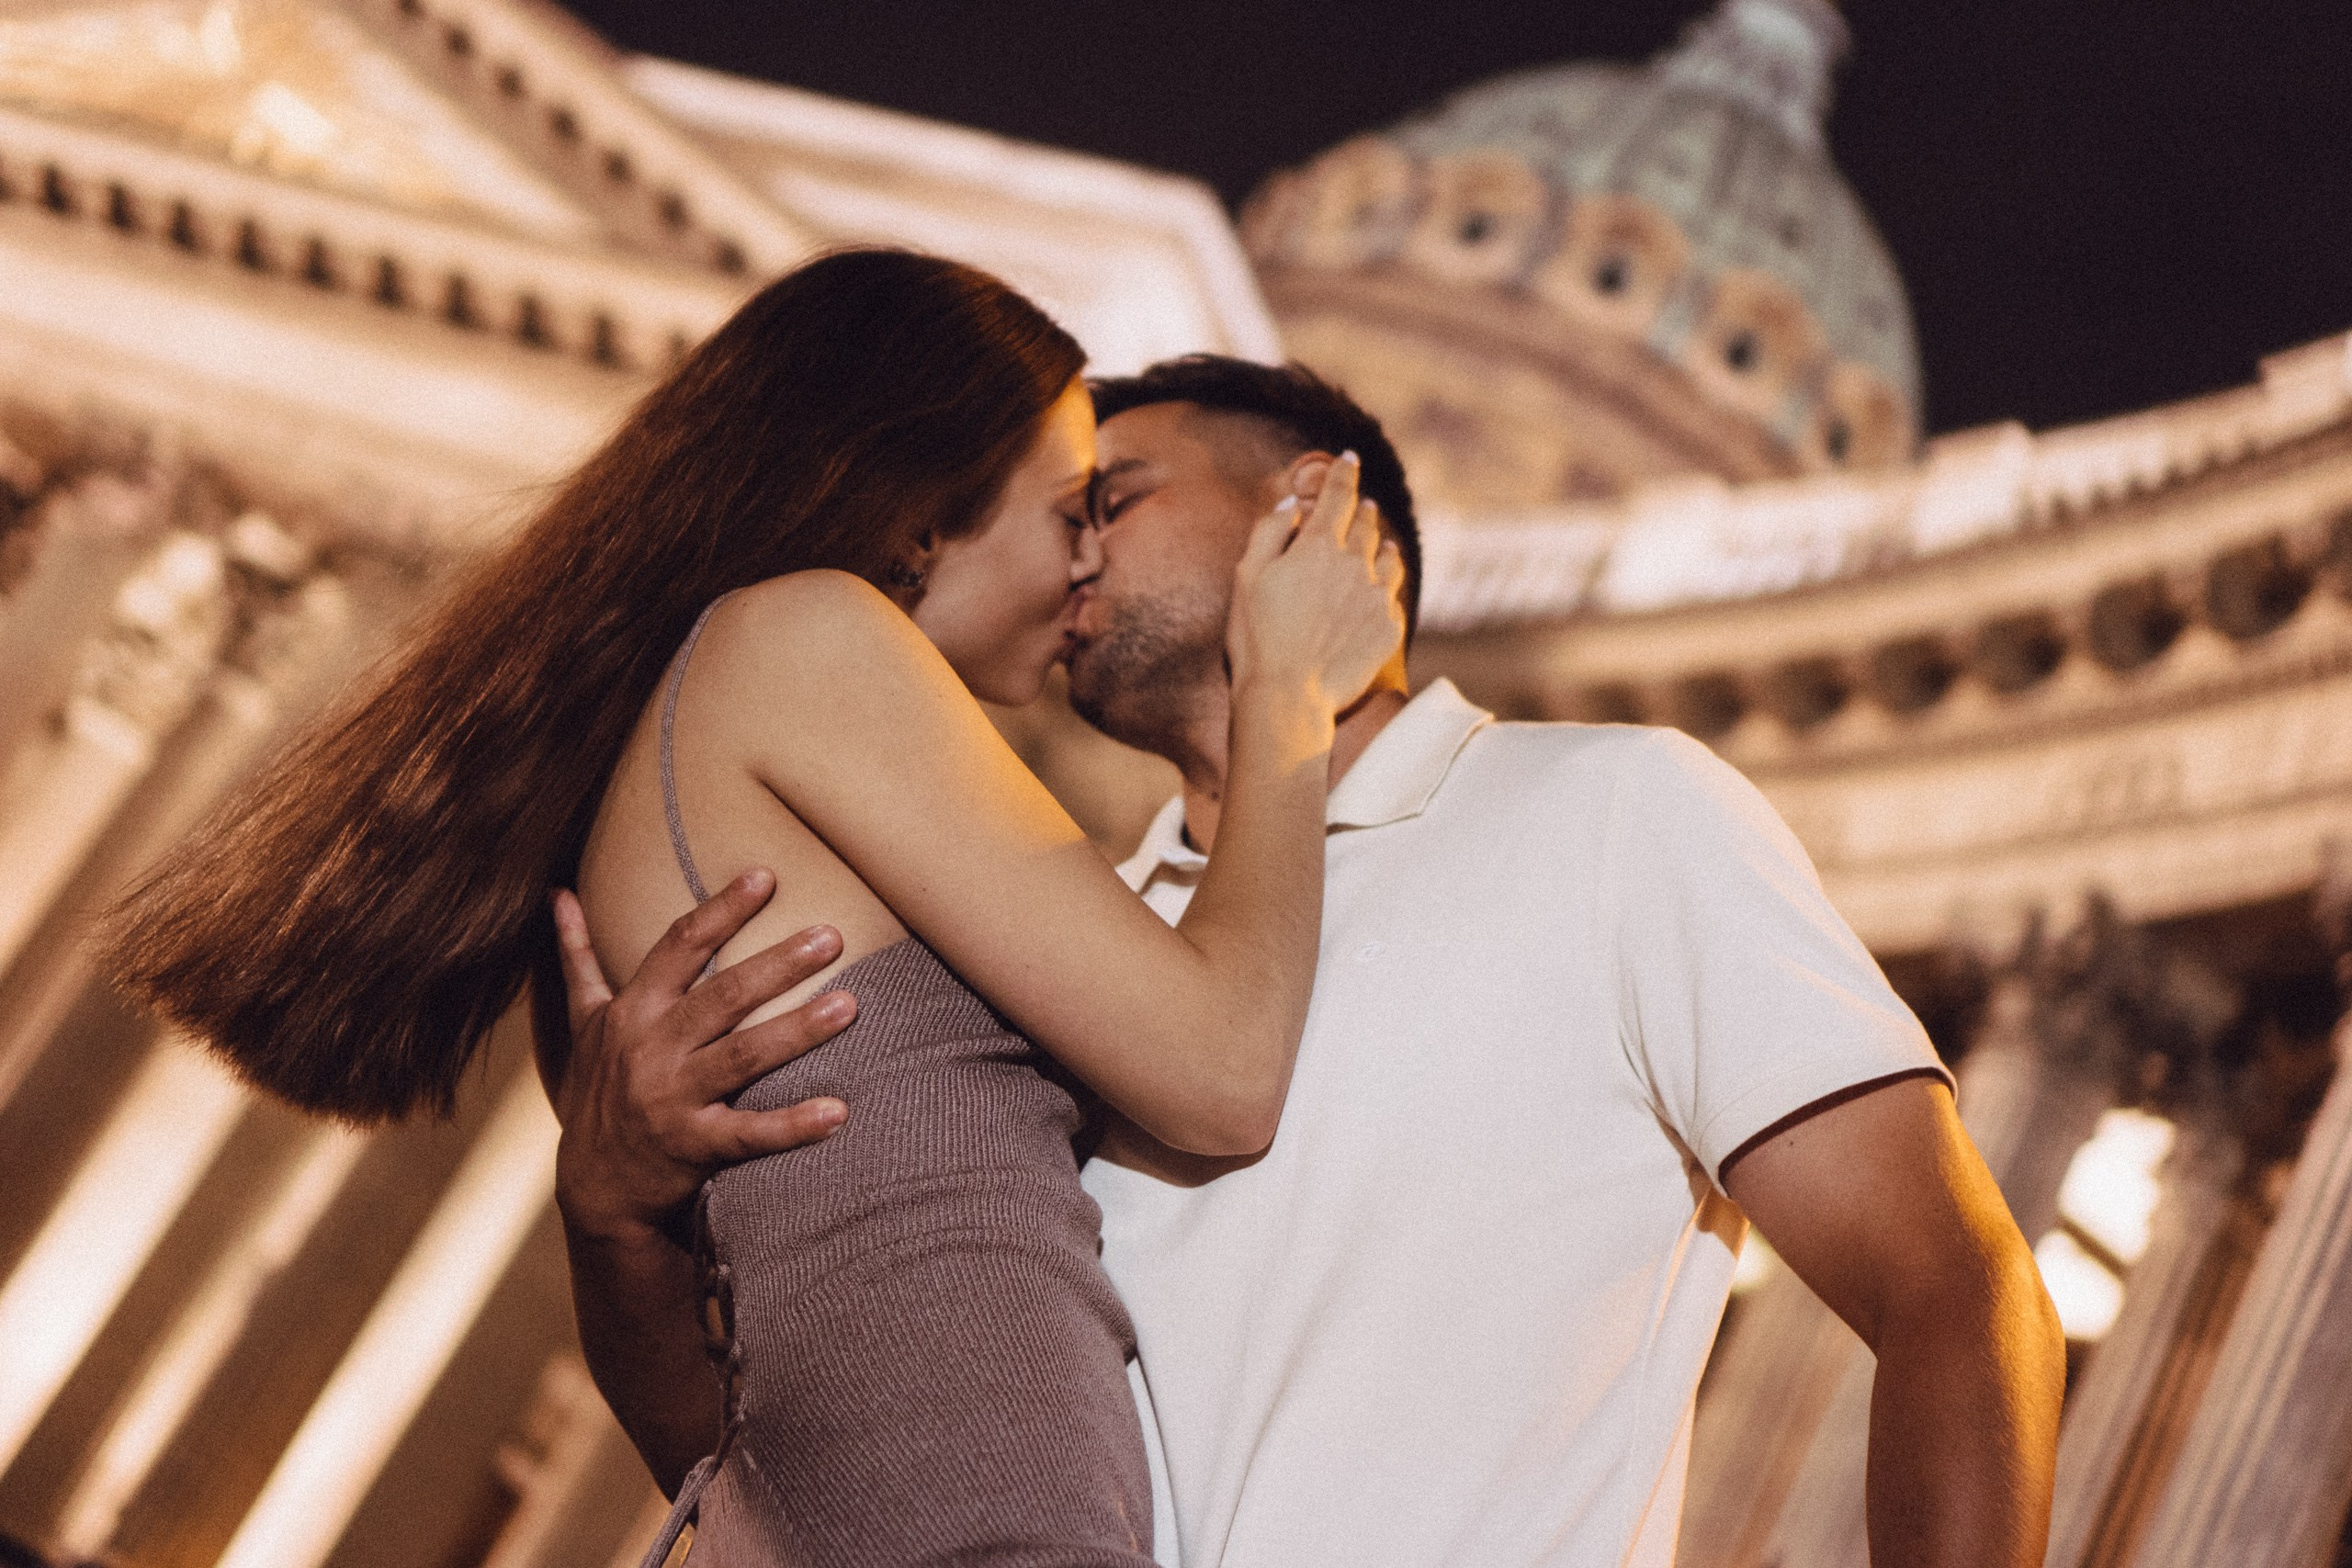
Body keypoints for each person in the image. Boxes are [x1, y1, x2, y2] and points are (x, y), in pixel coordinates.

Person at [557, 355, 2069, 1567]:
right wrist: (612, 1219)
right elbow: (759, 1458)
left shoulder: (1614, 810)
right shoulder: (1038, 950)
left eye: (1117, 498)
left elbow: (1951, 1285)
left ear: (1314, 511)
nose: (1069, 553)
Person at [107, 255, 1406, 1567]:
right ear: (923, 517)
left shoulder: (672, 770)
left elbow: (722, 1445)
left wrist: (609, 1220)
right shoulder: (807, 641)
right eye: (1076, 509)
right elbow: (1226, 1074)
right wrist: (1284, 695)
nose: (1087, 569)